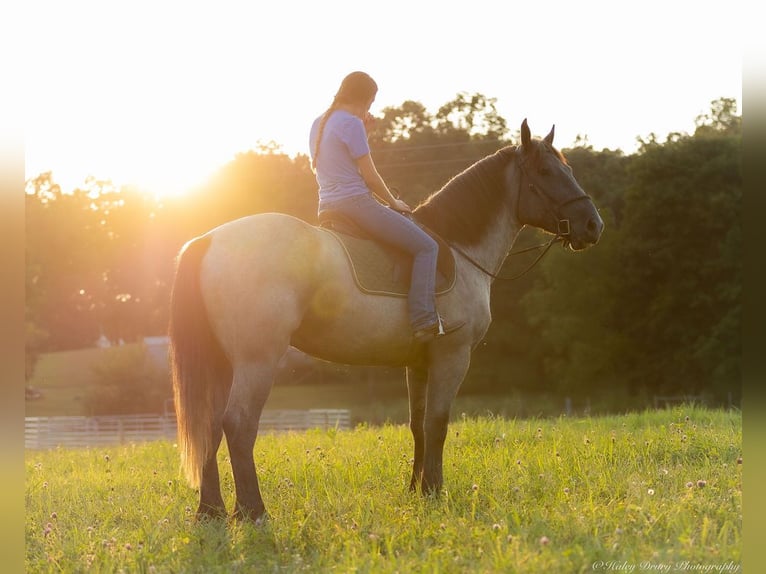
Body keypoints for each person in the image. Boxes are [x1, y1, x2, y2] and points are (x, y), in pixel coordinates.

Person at [309, 71, 443, 342]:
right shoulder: (351, 123)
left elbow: (337, 164)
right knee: (427, 246)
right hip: (356, 204)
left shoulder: (318, 123)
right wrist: (393, 203)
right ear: (365, 98)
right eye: (371, 101)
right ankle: (423, 319)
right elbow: (369, 177)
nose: (370, 108)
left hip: (326, 206)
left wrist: (364, 131)